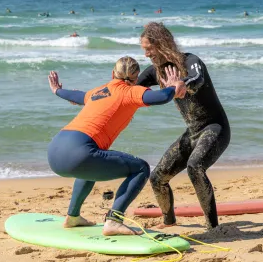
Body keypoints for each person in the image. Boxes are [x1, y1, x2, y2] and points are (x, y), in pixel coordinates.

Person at [47, 57, 183, 236]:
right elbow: (161, 97)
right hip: (79, 153)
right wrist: (175, 86)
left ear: (113, 74)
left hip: (55, 151)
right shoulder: (131, 92)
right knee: (141, 168)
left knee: (89, 168)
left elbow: (76, 95)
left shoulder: (98, 92)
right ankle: (114, 220)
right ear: (136, 78)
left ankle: (72, 217)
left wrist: (57, 90)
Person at [137, 22, 231, 230]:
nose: (146, 55)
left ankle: (213, 227)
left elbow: (197, 78)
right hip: (193, 132)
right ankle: (169, 222)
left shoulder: (190, 61)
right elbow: (130, 89)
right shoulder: (155, 72)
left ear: (162, 44)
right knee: (157, 178)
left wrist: (182, 84)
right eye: (144, 50)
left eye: (149, 49)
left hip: (215, 128)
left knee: (195, 167)